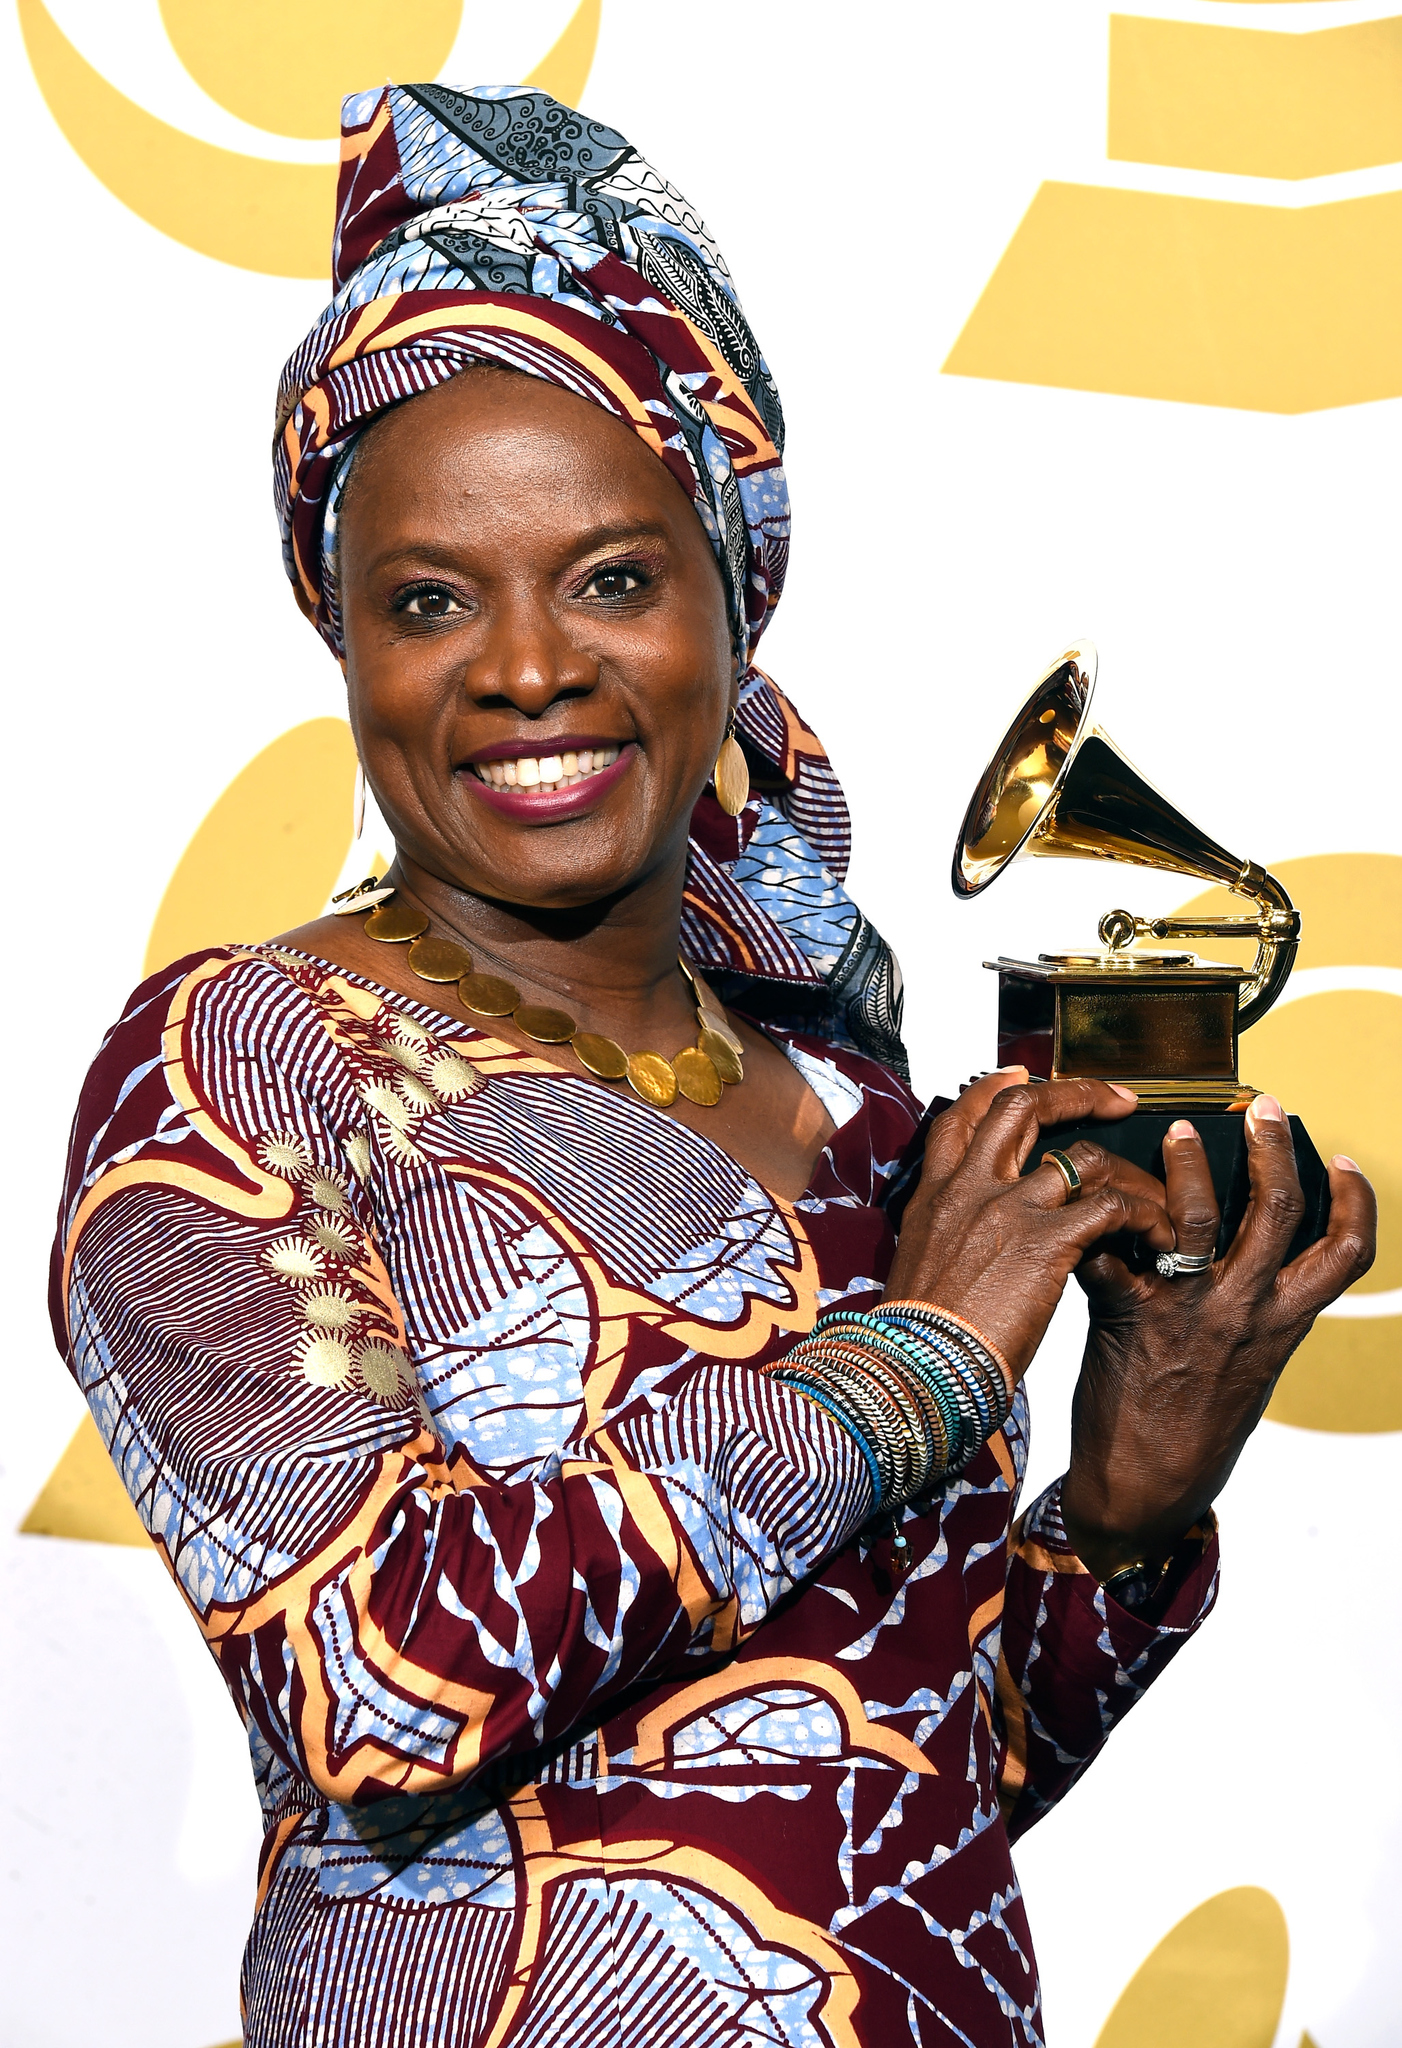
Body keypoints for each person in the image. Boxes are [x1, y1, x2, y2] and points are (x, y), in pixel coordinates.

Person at [51, 82, 1374, 2048]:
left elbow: (893, 1772)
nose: (522, 667)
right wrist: (920, 1356)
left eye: (608, 575)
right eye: (426, 598)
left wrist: (1125, 1497)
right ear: (337, 631)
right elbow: (384, 1685)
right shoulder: (244, 1064)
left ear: (726, 597)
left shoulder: (853, 1100)